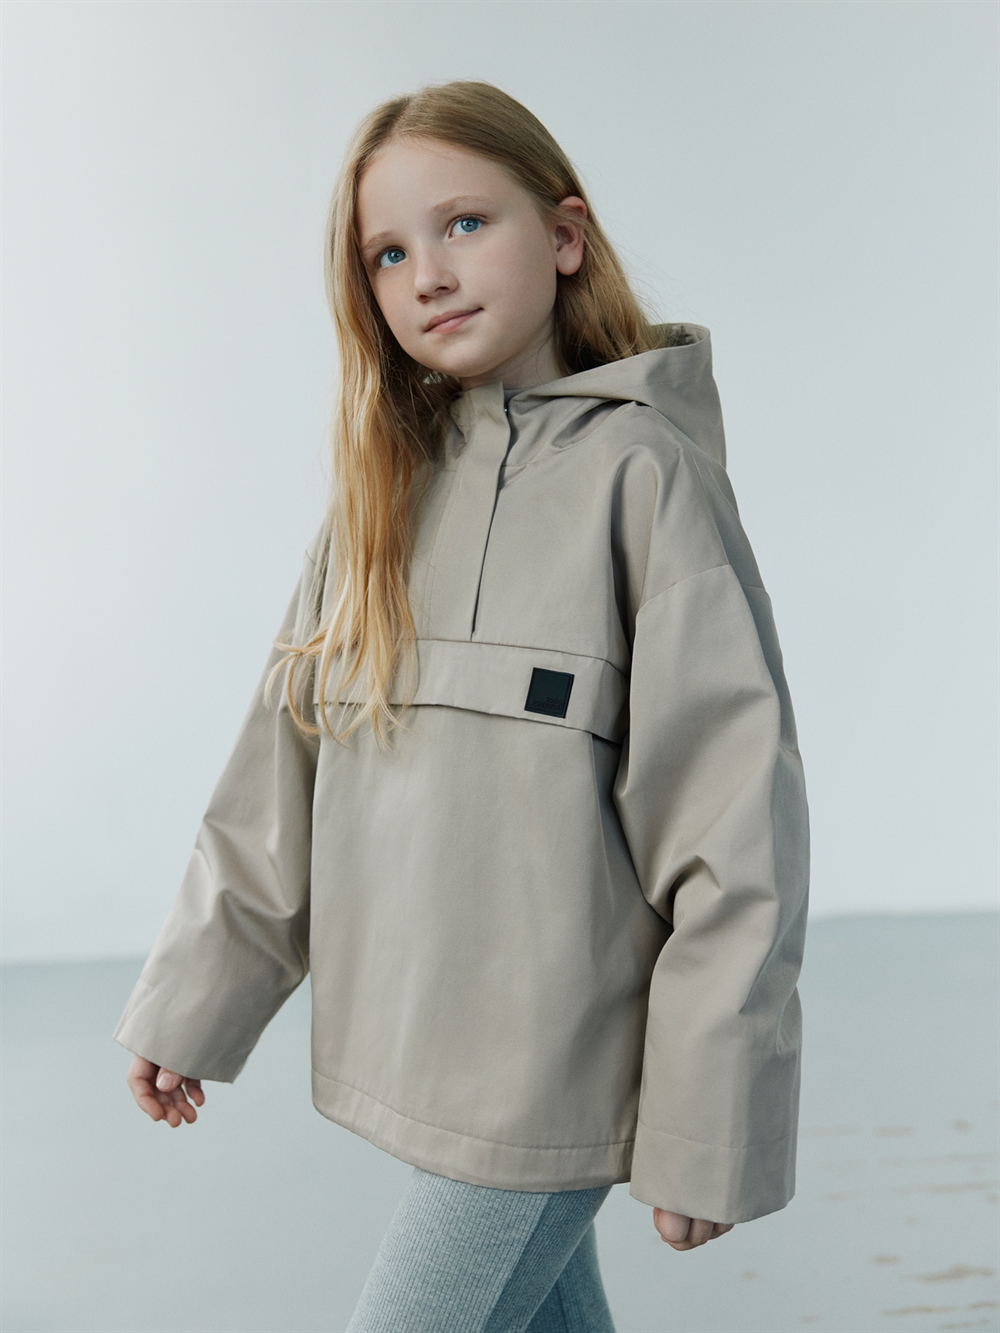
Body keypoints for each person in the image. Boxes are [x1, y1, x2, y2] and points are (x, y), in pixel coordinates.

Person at [115, 80, 809, 1332]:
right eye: (387, 253)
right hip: (424, 1051)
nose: (427, 273)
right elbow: (280, 773)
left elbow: (730, 825)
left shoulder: (647, 482)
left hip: (557, 1066)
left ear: (564, 235)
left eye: (465, 224)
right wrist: (194, 998)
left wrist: (711, 1119)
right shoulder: (380, 496)